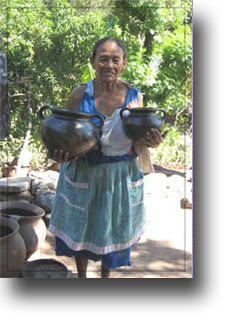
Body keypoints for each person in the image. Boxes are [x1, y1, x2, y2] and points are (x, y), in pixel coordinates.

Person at [48, 37, 168, 278]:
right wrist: (59, 154)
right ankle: (82, 277)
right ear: (93, 62)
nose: (109, 65)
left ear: (123, 63)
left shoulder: (134, 97)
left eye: (115, 59)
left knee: (112, 229)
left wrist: (151, 142)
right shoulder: (79, 95)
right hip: (83, 172)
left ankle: (105, 279)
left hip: (119, 178)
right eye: (103, 59)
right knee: (81, 226)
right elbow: (63, 132)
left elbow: (139, 137)